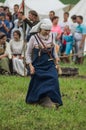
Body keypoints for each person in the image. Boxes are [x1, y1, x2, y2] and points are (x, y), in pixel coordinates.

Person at [25, 19, 63, 108]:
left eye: (49, 30)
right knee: (38, 81)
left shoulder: (52, 36)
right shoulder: (34, 38)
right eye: (46, 30)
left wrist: (56, 58)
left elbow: (53, 51)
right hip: (37, 65)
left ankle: (53, 100)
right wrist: (30, 66)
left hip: (49, 64)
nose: (48, 32)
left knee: (53, 79)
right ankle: (37, 99)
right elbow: (28, 53)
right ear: (40, 29)